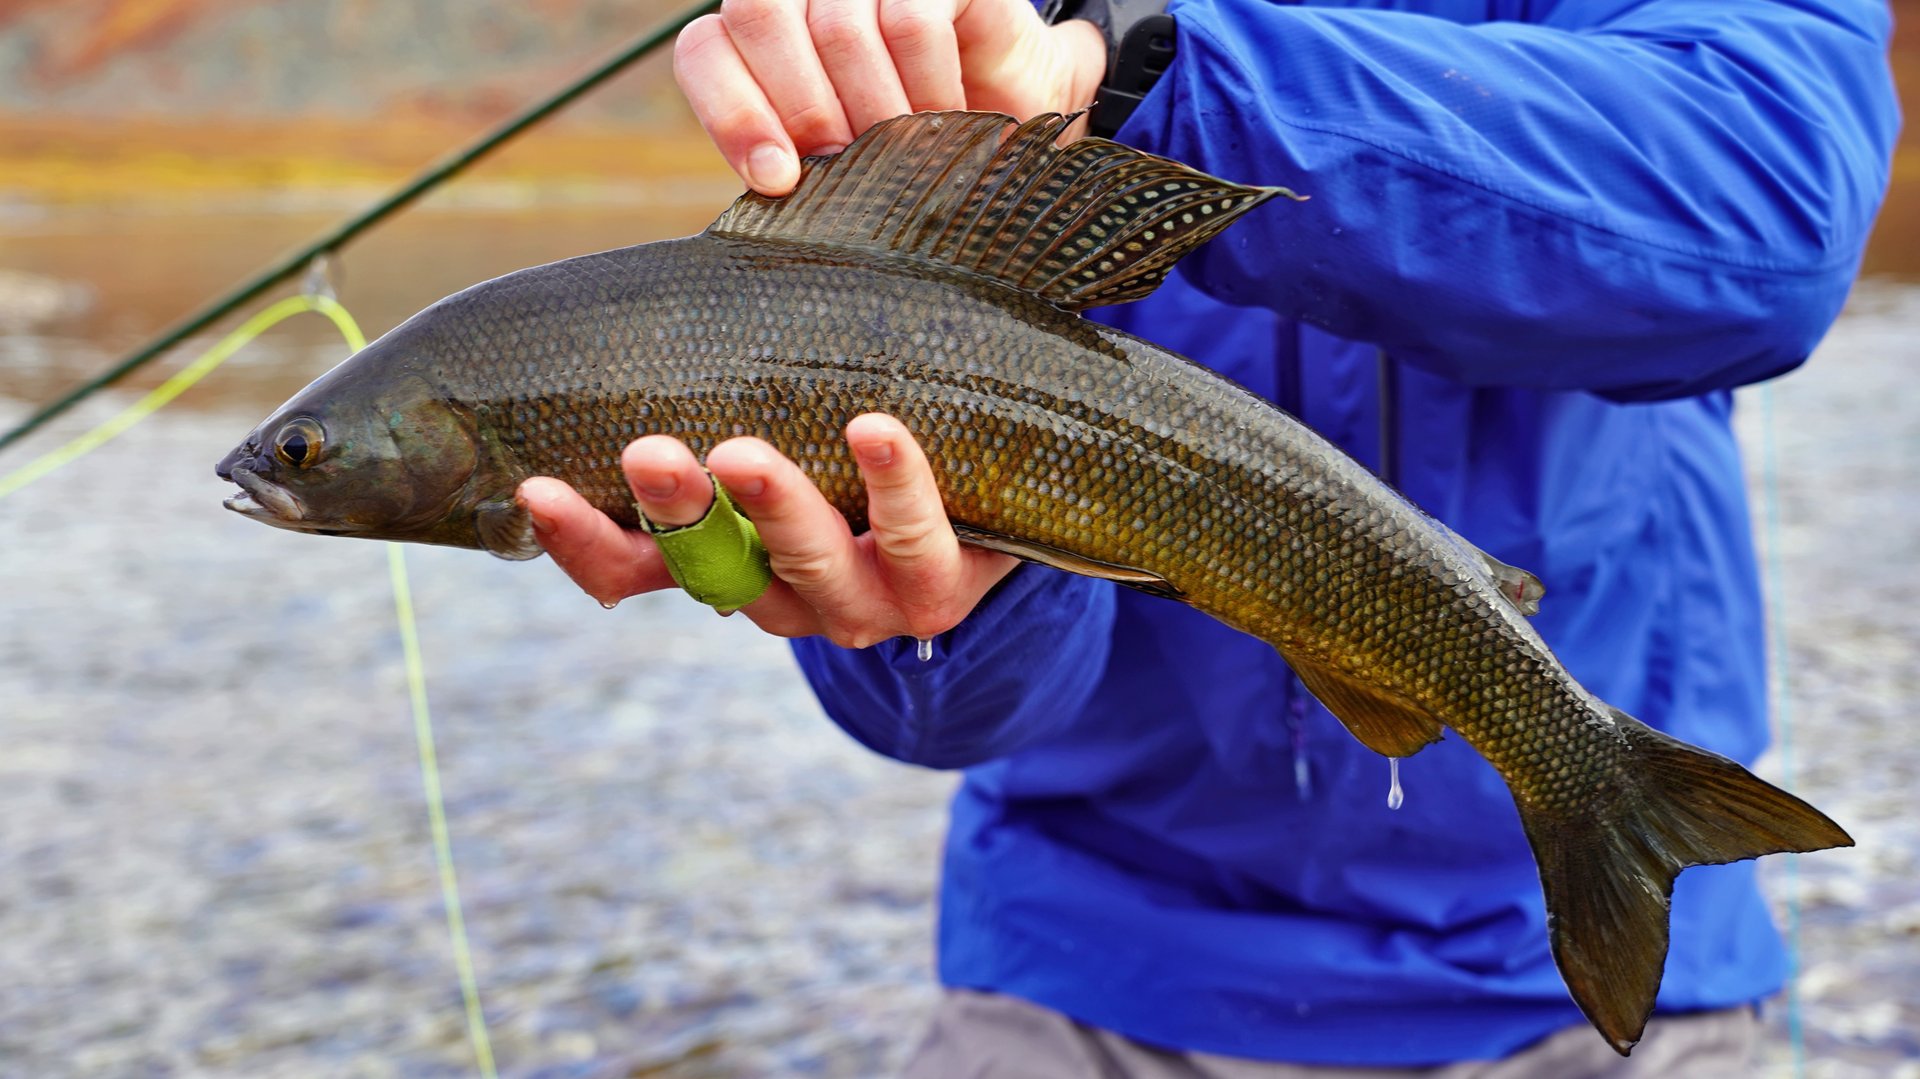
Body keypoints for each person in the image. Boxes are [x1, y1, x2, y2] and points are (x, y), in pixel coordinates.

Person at [515, 0, 1900, 1072]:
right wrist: (939, 607)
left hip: (1604, 999)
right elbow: (947, 716)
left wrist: (1155, 73)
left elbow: (1768, 217)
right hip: (1093, 976)